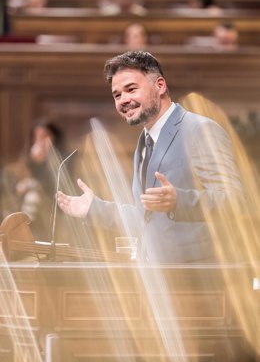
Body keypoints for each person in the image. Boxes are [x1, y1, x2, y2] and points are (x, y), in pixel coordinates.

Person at [57, 51, 244, 264]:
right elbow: (148, 218)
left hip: (200, 278)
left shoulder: (199, 130)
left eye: (131, 89)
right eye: (117, 95)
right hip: (158, 281)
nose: (123, 100)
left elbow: (235, 201)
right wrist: (94, 208)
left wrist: (180, 200)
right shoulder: (144, 142)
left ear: (160, 86)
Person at [2, 119, 65, 241]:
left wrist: (47, 161)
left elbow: (56, 187)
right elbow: (14, 185)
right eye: (37, 137)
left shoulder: (63, 162)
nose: (40, 142)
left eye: (45, 137)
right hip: (25, 211)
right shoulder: (25, 162)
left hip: (49, 216)